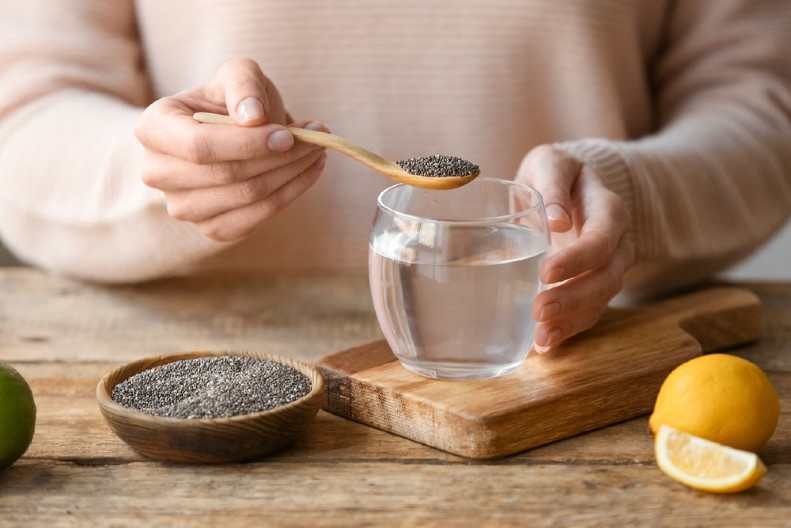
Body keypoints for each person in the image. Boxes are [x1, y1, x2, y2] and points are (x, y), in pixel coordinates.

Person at [1, 1, 789, 354]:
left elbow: (760, 106)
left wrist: (633, 193)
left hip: (570, 369)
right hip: (193, 369)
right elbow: (23, 115)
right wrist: (162, 173)